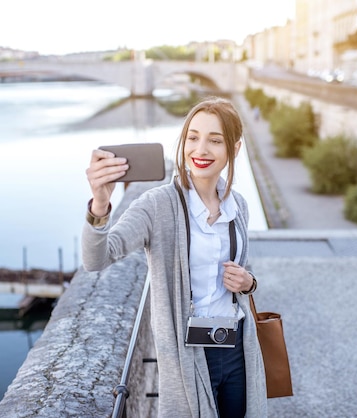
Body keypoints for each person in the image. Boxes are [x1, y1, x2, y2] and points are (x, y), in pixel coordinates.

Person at [82, 97, 267, 417]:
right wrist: (99, 204)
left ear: (234, 149)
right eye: (193, 137)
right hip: (188, 354)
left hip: (237, 348)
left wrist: (248, 282)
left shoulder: (239, 206)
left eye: (215, 140)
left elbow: (242, 270)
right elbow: (97, 259)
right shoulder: (158, 205)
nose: (201, 149)